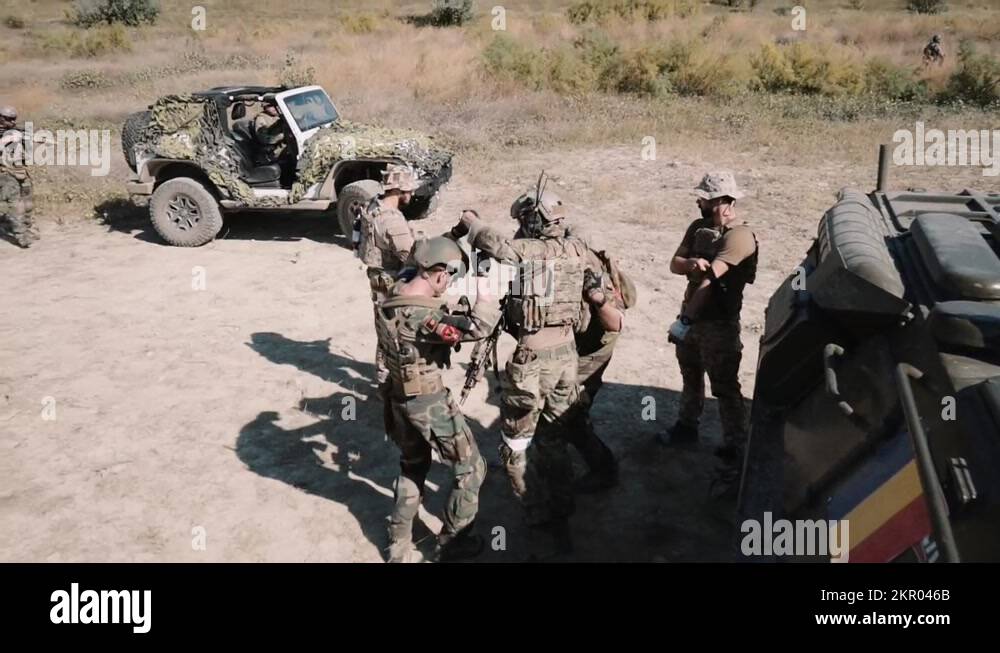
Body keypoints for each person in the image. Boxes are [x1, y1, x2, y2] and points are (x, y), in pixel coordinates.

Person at [452, 179, 590, 557]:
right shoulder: (578, 248)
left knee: (516, 443)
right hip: (567, 356)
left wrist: (471, 221)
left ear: (531, 222)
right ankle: (562, 509)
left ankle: (537, 513)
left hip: (532, 361)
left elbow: (494, 245)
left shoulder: (523, 252)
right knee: (556, 438)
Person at [376, 236, 499, 563]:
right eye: (449, 278)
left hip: (398, 398)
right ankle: (453, 543)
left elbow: (419, 264)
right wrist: (484, 288)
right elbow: (479, 326)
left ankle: (398, 542)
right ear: (440, 274)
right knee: (471, 469)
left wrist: (456, 233)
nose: (449, 285)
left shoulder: (395, 292)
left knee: (413, 465)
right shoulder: (424, 318)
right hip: (428, 403)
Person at [662, 171, 758, 470]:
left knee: (725, 386)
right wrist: (690, 263)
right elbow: (674, 264)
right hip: (692, 317)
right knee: (690, 375)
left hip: (718, 324)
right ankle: (686, 428)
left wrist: (685, 321)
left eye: (703, 197)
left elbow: (710, 282)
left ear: (719, 201)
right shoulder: (699, 227)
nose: (698, 201)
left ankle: (736, 445)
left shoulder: (740, 236)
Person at [568, 240, 633, 493]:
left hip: (593, 347)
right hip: (573, 344)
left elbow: (615, 323)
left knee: (570, 412)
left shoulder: (590, 270)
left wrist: (597, 300)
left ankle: (604, 469)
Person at [359, 164, 418, 386]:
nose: (411, 194)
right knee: (398, 335)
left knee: (383, 331)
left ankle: (382, 371)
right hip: (392, 283)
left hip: (376, 279)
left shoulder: (373, 205)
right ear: (399, 191)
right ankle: (391, 381)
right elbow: (411, 256)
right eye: (408, 190)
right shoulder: (392, 220)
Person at [0, 105, 38, 249]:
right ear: (1, 118)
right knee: (14, 205)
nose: (13, 122)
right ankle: (21, 236)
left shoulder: (15, 131)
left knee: (28, 202)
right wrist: (7, 139)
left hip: (20, 170)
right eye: (9, 119)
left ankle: (29, 228)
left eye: (14, 119)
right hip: (5, 173)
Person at [252, 98, 287, 164]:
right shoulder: (261, 118)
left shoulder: (281, 115)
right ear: (265, 107)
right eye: (270, 106)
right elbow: (263, 139)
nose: (274, 107)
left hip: (282, 144)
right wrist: (281, 136)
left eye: (275, 105)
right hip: (272, 151)